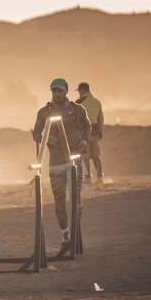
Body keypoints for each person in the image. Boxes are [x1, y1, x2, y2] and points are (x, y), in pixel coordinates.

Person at [32, 78, 91, 245]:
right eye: (54, 91)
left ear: (66, 91)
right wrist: (44, 139)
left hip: (75, 160)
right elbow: (36, 134)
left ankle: (76, 232)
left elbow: (87, 126)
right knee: (59, 204)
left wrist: (85, 140)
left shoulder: (77, 109)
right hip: (55, 163)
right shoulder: (44, 112)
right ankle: (65, 233)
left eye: (59, 90)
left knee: (76, 200)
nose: (57, 94)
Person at [75, 82, 105, 183]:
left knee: (85, 157)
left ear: (83, 90)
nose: (79, 93)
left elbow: (75, 119)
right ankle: (100, 177)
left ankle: (88, 178)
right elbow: (101, 118)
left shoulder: (79, 103)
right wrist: (100, 131)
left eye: (79, 91)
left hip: (84, 133)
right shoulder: (97, 102)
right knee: (96, 156)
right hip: (95, 133)